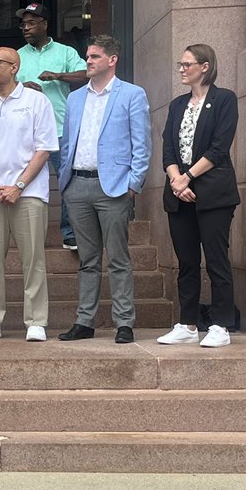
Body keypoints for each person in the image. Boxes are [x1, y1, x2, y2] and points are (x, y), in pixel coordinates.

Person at [57, 35, 152, 344]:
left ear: (112, 60)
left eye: (95, 56)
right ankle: (84, 321)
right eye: (88, 56)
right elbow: (68, 142)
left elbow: (142, 144)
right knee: (87, 259)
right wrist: (65, 180)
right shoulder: (74, 98)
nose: (88, 61)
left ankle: (124, 322)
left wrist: (133, 184)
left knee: (119, 258)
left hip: (113, 187)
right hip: (77, 185)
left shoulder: (132, 95)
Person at [0, 48, 58, 342]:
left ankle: (35, 321)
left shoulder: (36, 101)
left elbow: (44, 147)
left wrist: (19, 185)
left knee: (33, 259)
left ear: (14, 67)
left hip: (28, 193)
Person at [158, 43, 240, 348]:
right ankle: (188, 323)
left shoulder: (224, 99)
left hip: (214, 193)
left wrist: (188, 177)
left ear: (205, 67)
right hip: (180, 193)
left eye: (187, 64)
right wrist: (176, 180)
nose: (181, 69)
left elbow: (219, 148)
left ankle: (221, 325)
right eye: (180, 64)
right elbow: (168, 148)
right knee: (187, 262)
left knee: (217, 260)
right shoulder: (177, 104)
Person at [15, 2, 87, 251]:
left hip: (59, 129)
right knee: (24, 183)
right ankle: (24, 234)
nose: (26, 27)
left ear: (45, 24)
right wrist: (21, 88)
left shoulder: (65, 53)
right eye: (23, 23)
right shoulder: (17, 56)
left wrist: (57, 76)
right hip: (25, 133)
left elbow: (86, 74)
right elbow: (1, 86)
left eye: (32, 22)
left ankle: (69, 233)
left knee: (67, 182)